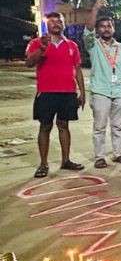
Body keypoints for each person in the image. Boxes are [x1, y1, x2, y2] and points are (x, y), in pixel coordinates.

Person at [25, 12, 86, 178]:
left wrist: (82, 92)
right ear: (47, 25)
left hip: (68, 92)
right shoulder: (37, 43)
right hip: (46, 93)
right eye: (52, 21)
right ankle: (43, 164)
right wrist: (43, 49)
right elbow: (29, 63)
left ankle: (65, 160)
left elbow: (78, 70)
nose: (56, 24)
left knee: (64, 125)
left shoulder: (72, 45)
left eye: (59, 21)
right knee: (45, 126)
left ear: (64, 24)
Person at [83, 15, 121, 168]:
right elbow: (87, 32)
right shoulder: (93, 45)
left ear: (113, 29)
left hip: (119, 90)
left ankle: (117, 154)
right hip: (100, 91)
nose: (106, 29)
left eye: (109, 26)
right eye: (103, 26)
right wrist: (95, 10)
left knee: (118, 125)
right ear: (98, 29)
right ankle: (100, 157)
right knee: (100, 126)